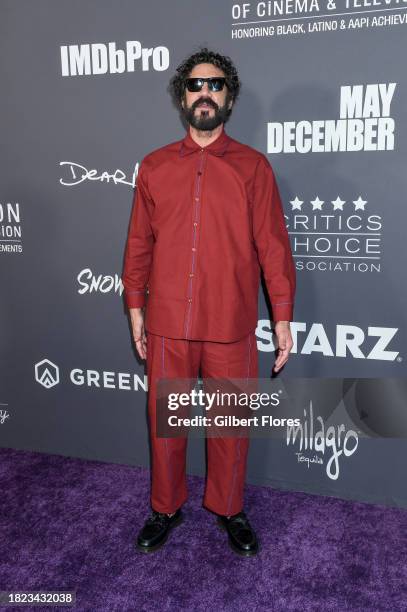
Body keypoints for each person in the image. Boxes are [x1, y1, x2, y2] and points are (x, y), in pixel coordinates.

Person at [122, 47, 296, 557]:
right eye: (196, 85)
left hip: (231, 322)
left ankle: (229, 507)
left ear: (230, 97)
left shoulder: (253, 168)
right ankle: (165, 506)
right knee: (167, 426)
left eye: (215, 85)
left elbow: (273, 248)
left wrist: (282, 317)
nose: (205, 93)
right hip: (168, 321)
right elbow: (138, 244)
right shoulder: (154, 167)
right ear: (182, 96)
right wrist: (136, 307)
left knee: (230, 426)